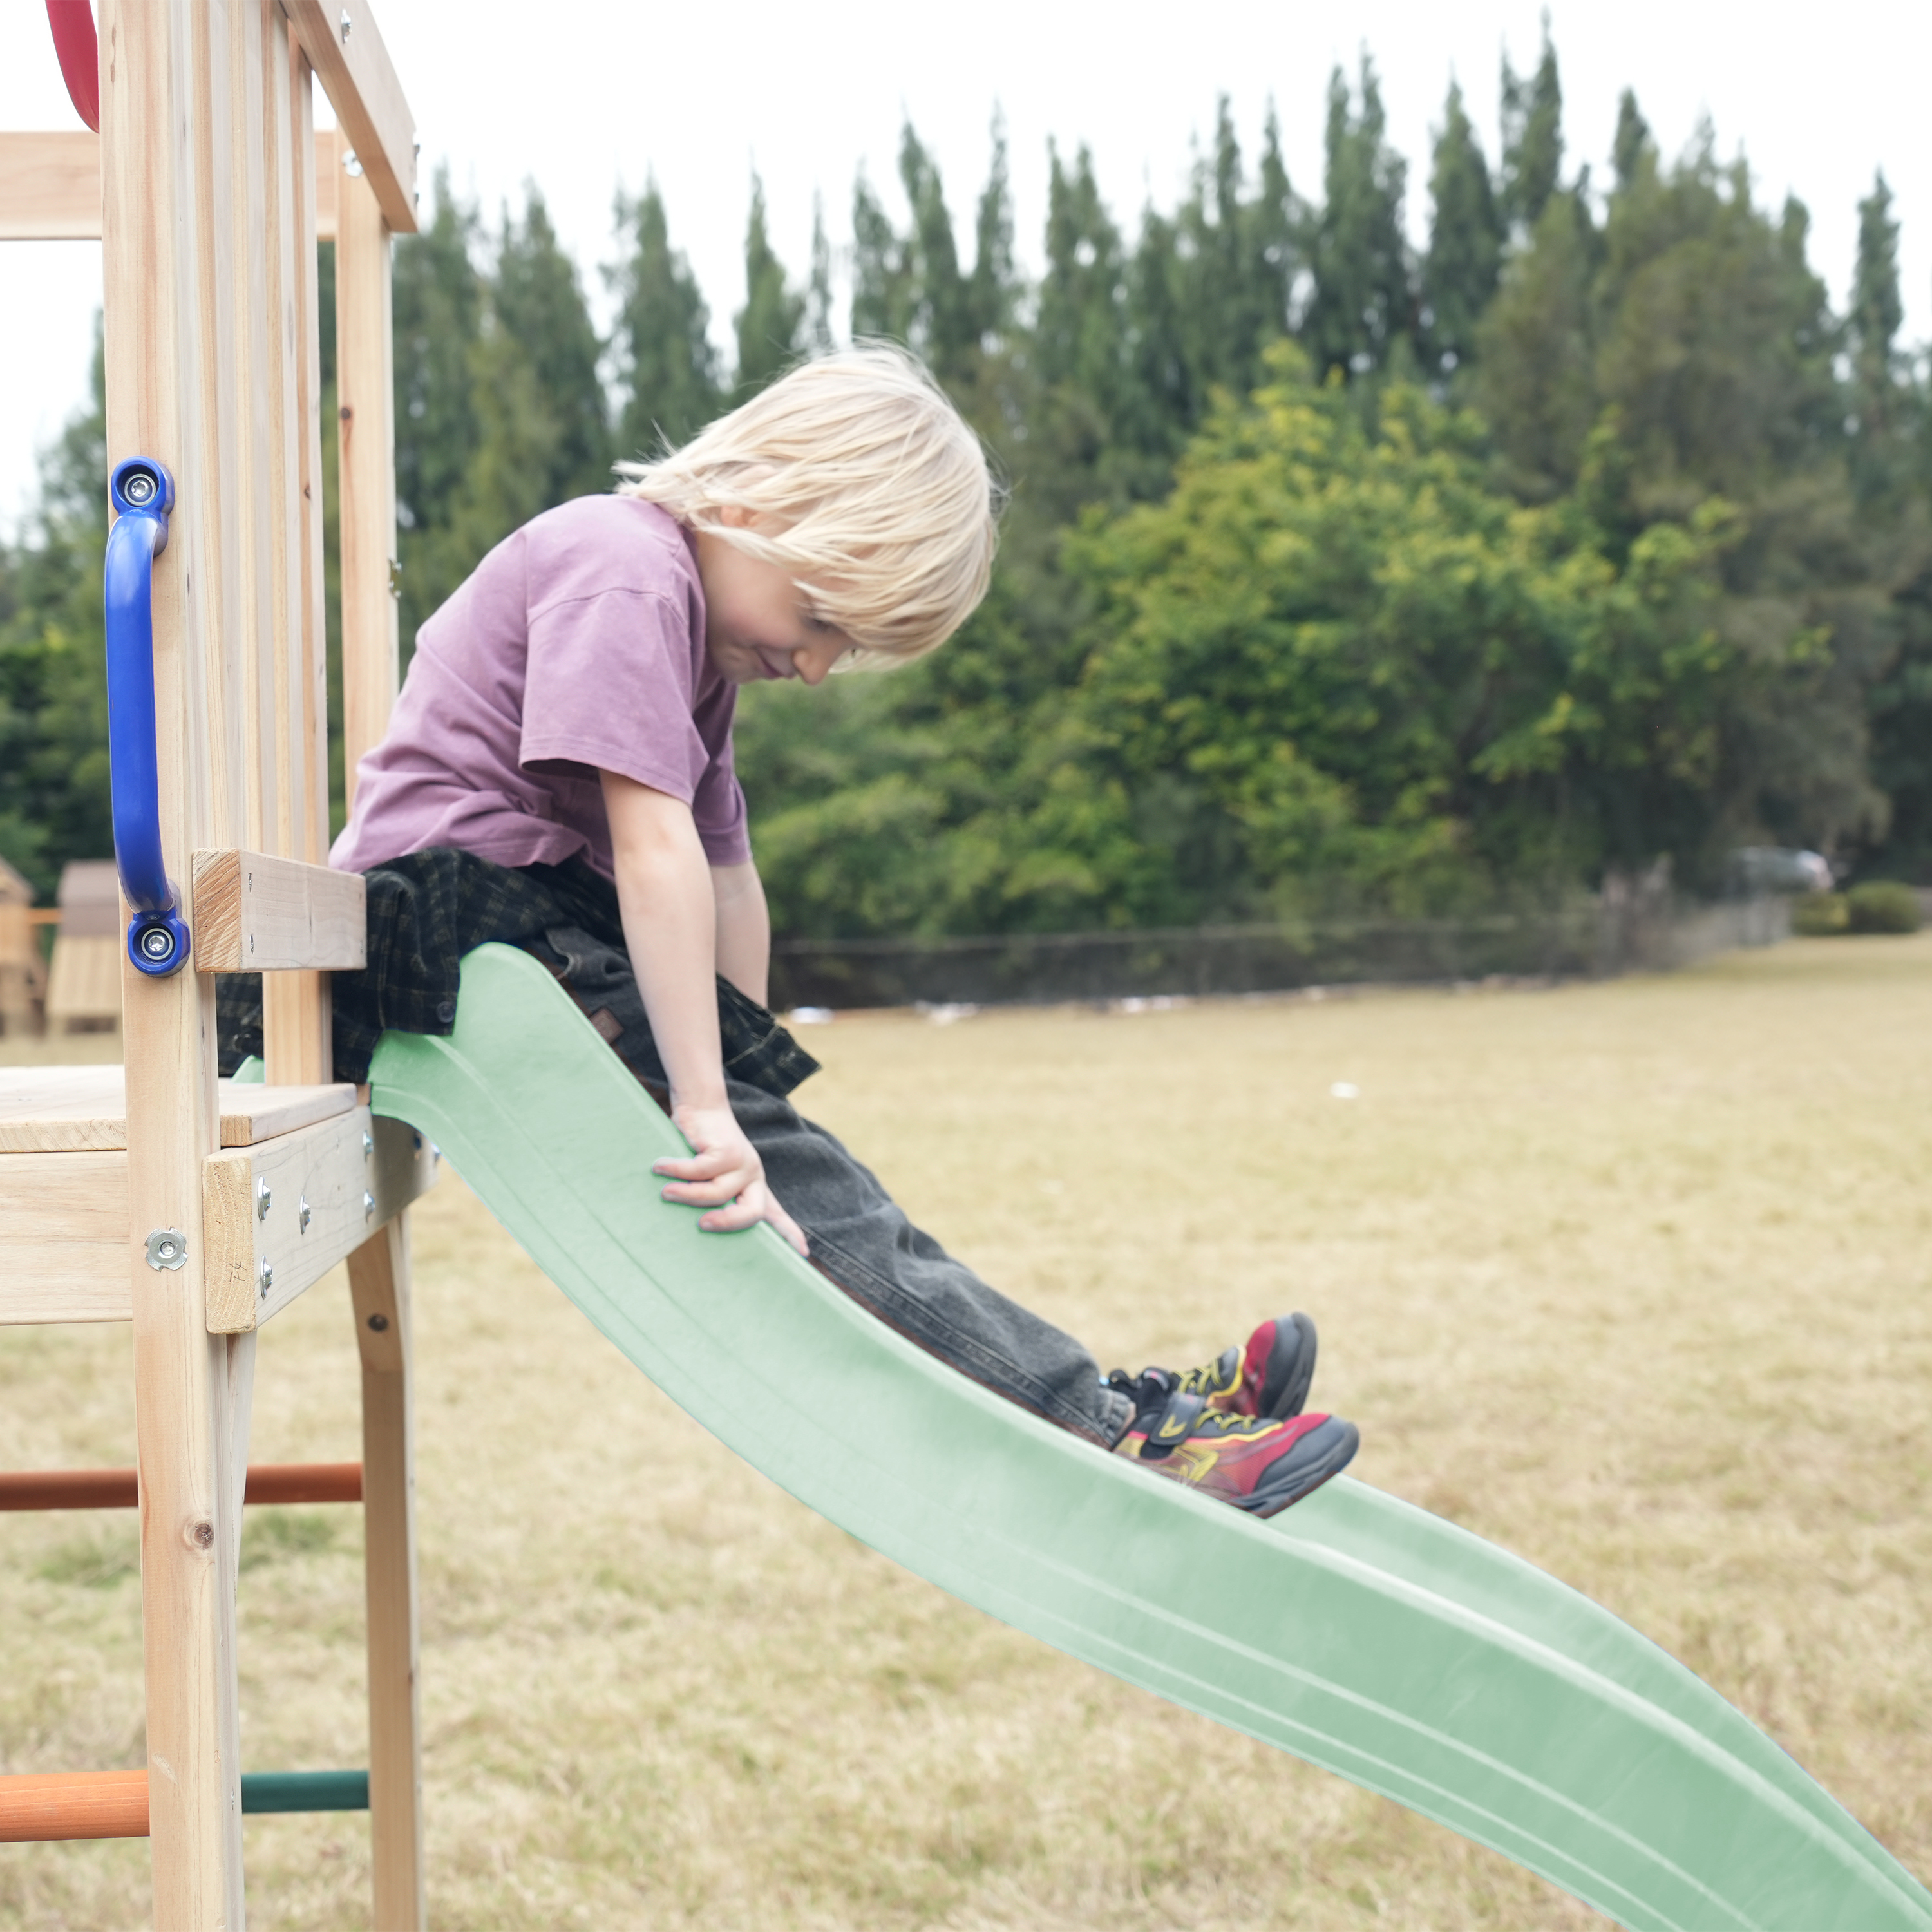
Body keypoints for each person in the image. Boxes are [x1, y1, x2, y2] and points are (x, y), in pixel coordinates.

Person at [247, 345, 1359, 1517]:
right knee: (770, 1159)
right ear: (751, 504)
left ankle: (1109, 1402)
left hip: (531, 934)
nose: (821, 669)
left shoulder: (693, 635)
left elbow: (729, 874)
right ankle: (1112, 1428)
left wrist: (738, 1082)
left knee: (795, 1167)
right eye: (823, 617)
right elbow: (656, 849)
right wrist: (712, 1107)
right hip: (447, 934)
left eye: (849, 647)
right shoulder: (619, 565)